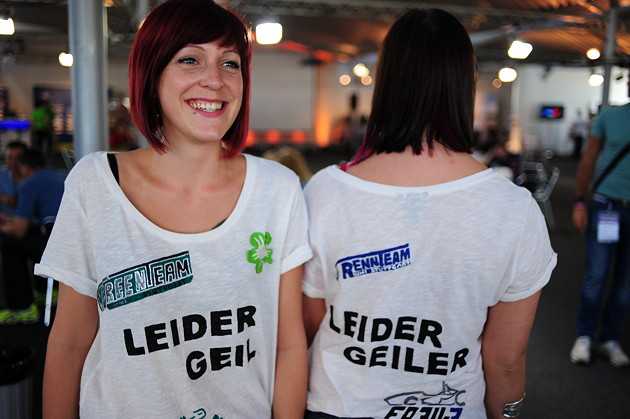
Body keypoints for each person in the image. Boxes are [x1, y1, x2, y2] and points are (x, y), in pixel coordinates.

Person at [36, 1, 311, 418]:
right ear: (152, 74)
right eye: (190, 59)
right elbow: (70, 340)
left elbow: (288, 345)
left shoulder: (278, 190)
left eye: (230, 64)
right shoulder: (96, 184)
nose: (214, 80)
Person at [302, 9, 556, 419]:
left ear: (386, 83)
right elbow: (505, 359)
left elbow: (307, 327)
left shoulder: (326, 192)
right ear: (464, 85)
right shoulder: (514, 210)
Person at [570, 76, 630, 367]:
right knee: (597, 274)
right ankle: (584, 336)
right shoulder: (609, 116)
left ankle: (610, 338)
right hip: (606, 206)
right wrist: (580, 201)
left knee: (625, 283)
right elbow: (588, 159)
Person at [0, 148, 64, 323]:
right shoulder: (62, 176)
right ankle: (45, 292)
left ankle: (22, 308)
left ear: (24, 167)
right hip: (73, 242)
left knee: (11, 245)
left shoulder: (29, 184)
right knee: (34, 236)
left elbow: (19, 230)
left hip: (54, 246)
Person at [0, 140, 28, 213]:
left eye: (18, 158)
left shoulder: (34, 177)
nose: (13, 162)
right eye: (9, 157)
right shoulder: (1, 175)